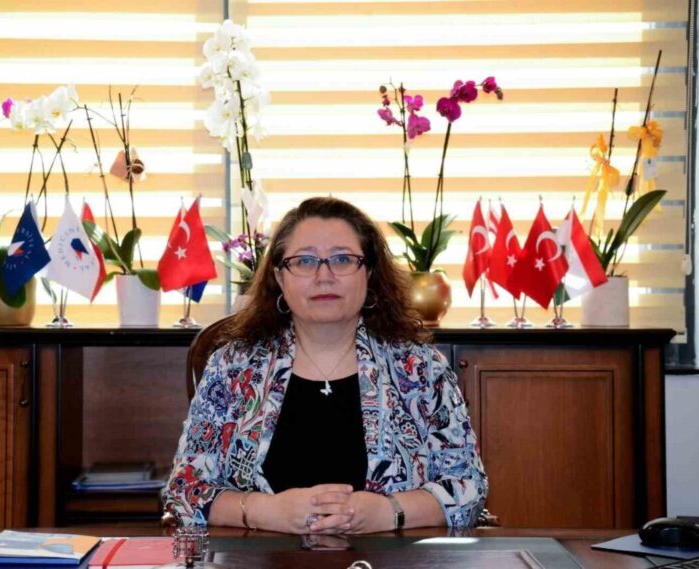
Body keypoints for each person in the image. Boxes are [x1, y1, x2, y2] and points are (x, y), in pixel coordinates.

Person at [164, 197, 487, 533]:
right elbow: (185, 487)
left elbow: (468, 485)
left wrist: (389, 511)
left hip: (389, 556)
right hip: (260, 555)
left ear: (369, 272)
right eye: (304, 261)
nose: (324, 276)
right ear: (280, 277)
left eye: (342, 259)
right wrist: (265, 511)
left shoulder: (420, 370)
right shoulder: (232, 368)